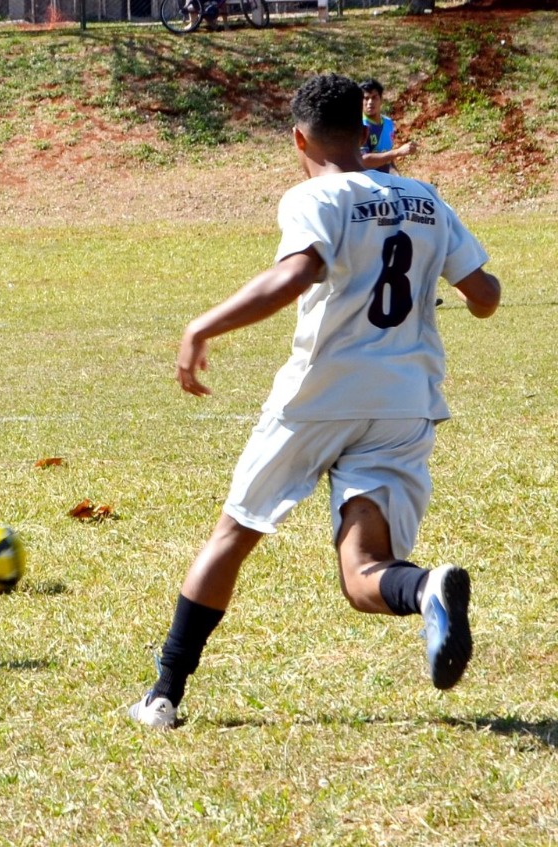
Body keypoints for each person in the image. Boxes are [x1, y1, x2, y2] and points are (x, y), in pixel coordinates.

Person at [128, 73, 501, 730]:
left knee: (234, 533)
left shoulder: (314, 195)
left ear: (298, 138)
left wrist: (201, 325)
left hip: (319, 396)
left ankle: (163, 694)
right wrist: (472, 292)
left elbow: (296, 272)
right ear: (365, 133)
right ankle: (427, 587)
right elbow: (486, 293)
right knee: (366, 573)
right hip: (404, 402)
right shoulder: (425, 199)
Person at [360, 78, 415, 174]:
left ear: (381, 100)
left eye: (374, 97)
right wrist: (398, 152)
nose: (370, 102)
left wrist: (396, 175)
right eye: (366, 98)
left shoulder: (388, 123)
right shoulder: (360, 126)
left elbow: (388, 156)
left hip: (386, 180)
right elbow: (364, 161)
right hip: (368, 183)